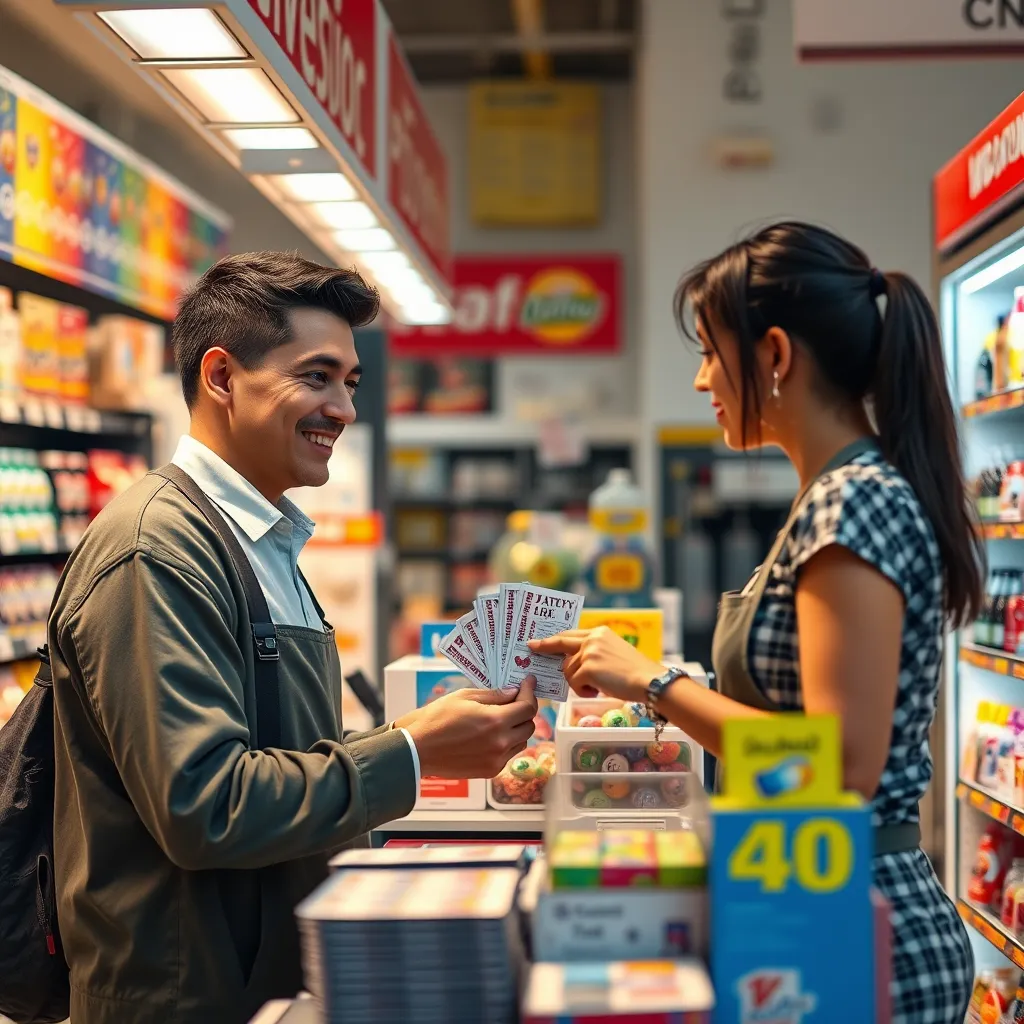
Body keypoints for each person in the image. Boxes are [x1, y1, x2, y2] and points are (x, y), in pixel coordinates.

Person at [49, 252, 538, 1024]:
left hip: (265, 980)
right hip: (189, 998)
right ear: (220, 378)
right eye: (316, 376)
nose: (343, 408)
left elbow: (276, 747)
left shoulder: (258, 540)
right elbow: (205, 804)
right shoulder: (157, 552)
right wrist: (411, 753)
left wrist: (412, 735)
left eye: (350, 382)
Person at [531, 222, 981, 1023]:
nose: (703, 378)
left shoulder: (855, 502)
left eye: (710, 350)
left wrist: (657, 682)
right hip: (811, 898)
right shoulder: (830, 497)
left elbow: (840, 765)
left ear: (774, 356)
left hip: (858, 922)